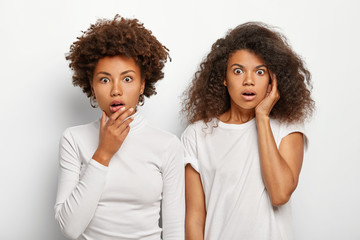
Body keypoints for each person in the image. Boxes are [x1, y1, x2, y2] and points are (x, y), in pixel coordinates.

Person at [54, 15, 184, 240]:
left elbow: (174, 230)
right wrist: (103, 153)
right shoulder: (73, 139)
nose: (116, 90)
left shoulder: (167, 144)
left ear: (143, 84)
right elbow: (69, 228)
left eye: (127, 79)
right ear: (92, 86)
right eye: (104, 80)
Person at [181, 22, 315, 239]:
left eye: (260, 72)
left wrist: (262, 117)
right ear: (224, 78)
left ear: (273, 79)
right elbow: (195, 218)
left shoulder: (287, 128)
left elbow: (280, 194)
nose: (249, 81)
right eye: (238, 71)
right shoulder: (197, 135)